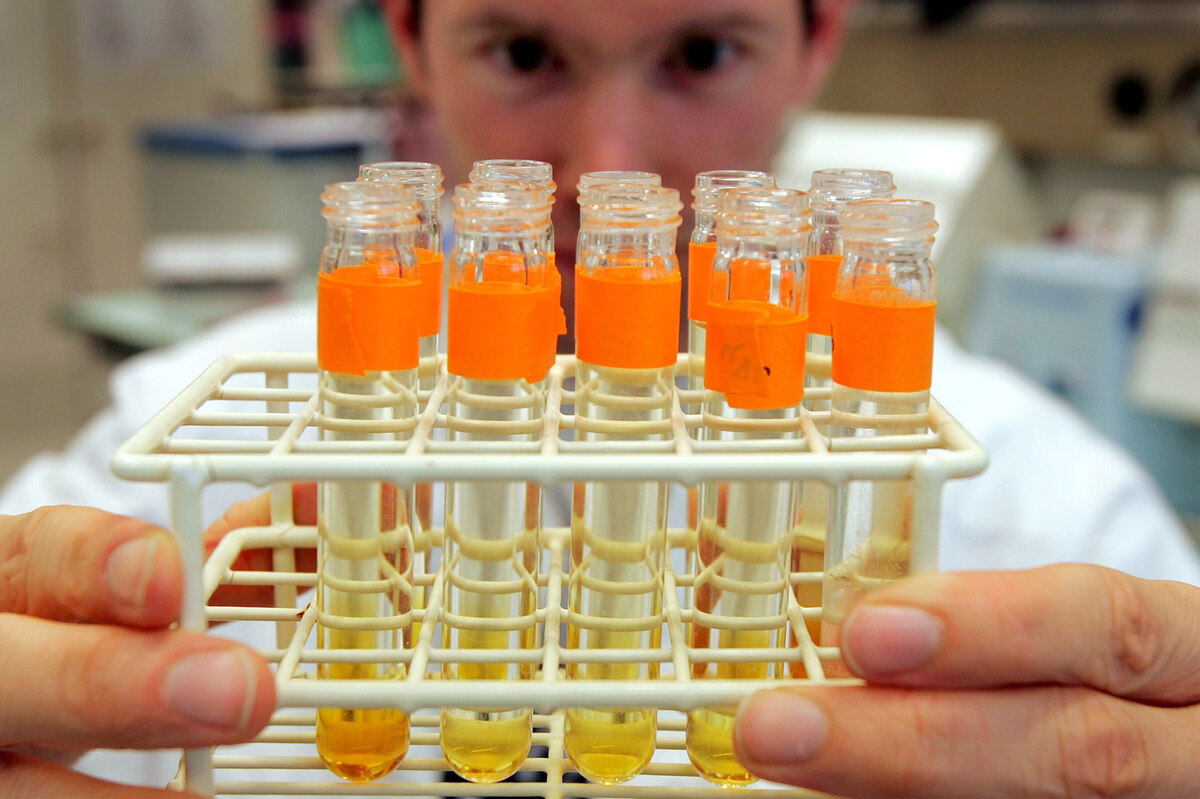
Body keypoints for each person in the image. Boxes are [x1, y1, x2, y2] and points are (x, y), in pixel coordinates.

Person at [2, 0, 1200, 796]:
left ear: (820, 34)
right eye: (527, 54)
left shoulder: (1059, 509)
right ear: (409, 34)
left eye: (702, 53)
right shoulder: (165, 454)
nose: (610, 163)